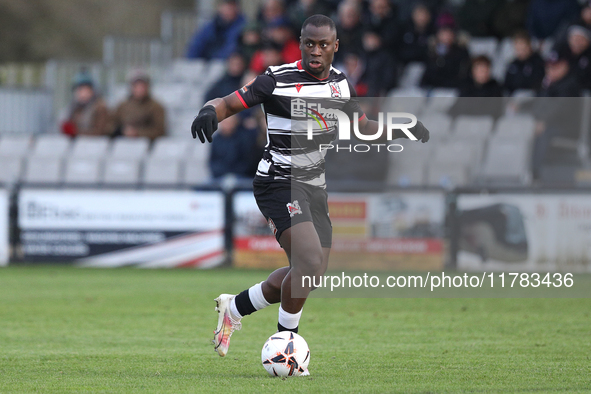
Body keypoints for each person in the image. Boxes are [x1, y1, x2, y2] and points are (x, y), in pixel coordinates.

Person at [191, 15, 429, 369]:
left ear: (335, 46)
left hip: (314, 185)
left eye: (323, 45)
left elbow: (362, 127)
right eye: (309, 44)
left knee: (308, 274)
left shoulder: (341, 85)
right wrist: (209, 110)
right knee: (308, 262)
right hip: (277, 181)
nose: (315, 51)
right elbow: (227, 102)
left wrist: (401, 130)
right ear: (300, 44)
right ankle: (287, 347)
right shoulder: (276, 79)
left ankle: (235, 307)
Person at [112, 71, 166, 140]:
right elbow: (111, 125)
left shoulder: (156, 107)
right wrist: (122, 130)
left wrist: (137, 133)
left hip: (148, 145)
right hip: (123, 143)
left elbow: (160, 131)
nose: (139, 89)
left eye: (142, 86)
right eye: (136, 86)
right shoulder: (122, 106)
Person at [421, 18, 471, 89]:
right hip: (434, 88)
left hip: (453, 87)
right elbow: (428, 74)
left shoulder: (461, 51)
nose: (446, 36)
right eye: (443, 33)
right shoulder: (432, 52)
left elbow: (462, 72)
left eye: (449, 33)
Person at [60, 73, 111, 137]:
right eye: (79, 90)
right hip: (79, 145)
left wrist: (76, 132)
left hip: (96, 145)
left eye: (85, 90)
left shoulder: (100, 107)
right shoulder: (75, 108)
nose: (82, 94)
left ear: (92, 91)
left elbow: (99, 132)